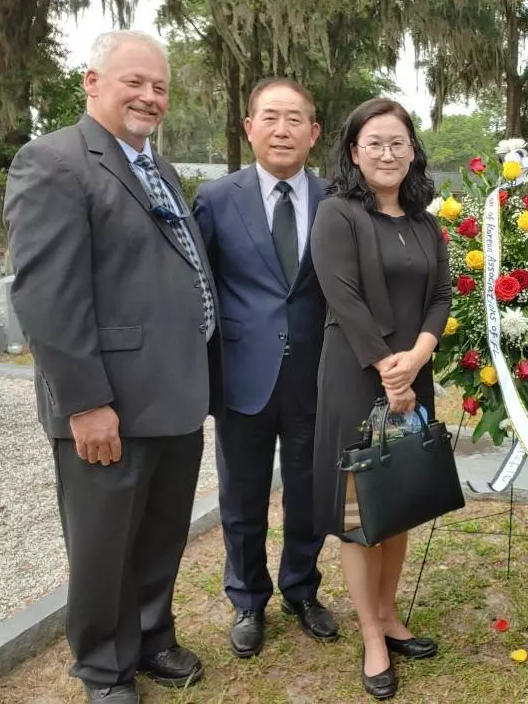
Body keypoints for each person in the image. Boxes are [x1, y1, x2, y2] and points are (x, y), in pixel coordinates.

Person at [3, 30, 219, 704]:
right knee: (103, 548)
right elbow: (46, 296)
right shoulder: (55, 162)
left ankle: (151, 637)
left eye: (159, 86)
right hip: (110, 404)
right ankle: (104, 668)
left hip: (174, 393)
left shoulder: (157, 164)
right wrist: (86, 402)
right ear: (91, 82)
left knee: (160, 534)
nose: (150, 96)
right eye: (135, 81)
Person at [309, 98, 451, 700]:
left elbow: (441, 293)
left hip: (411, 372)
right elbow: (340, 295)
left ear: (412, 150)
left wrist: (417, 358)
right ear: (353, 152)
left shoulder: (424, 220)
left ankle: (390, 615)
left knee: (399, 498)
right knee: (358, 513)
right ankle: (370, 634)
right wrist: (386, 368)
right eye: (375, 144)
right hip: (355, 374)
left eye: (398, 142)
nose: (388, 154)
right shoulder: (337, 214)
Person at [193, 77, 338, 658]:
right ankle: (248, 599)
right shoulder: (215, 197)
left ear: (314, 132)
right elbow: (201, 288)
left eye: (295, 119)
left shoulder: (336, 201)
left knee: (308, 492)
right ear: (248, 126)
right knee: (243, 497)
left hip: (316, 374)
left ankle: (301, 587)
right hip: (242, 376)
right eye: (270, 117)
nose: (283, 130)